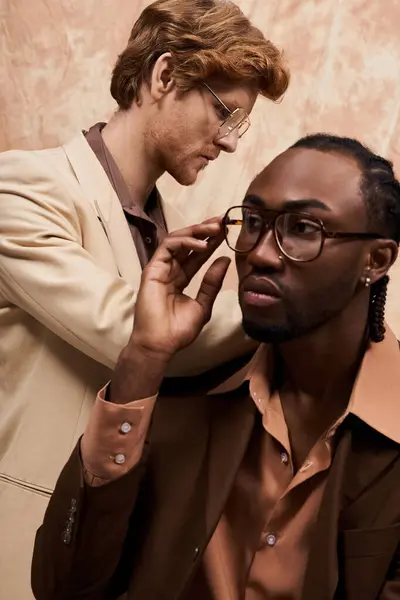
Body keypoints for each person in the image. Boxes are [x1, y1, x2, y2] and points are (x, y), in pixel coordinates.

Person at [0, 0, 289, 596]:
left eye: (239, 126)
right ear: (164, 77)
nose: (230, 144)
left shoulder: (177, 229)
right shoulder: (23, 190)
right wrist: (290, 303)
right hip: (22, 536)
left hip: (124, 551)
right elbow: (132, 338)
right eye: (224, 115)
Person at [32, 133, 400, 600]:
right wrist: (144, 354)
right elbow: (63, 587)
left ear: (377, 260)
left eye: (304, 228)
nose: (261, 252)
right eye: (253, 221)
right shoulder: (191, 385)